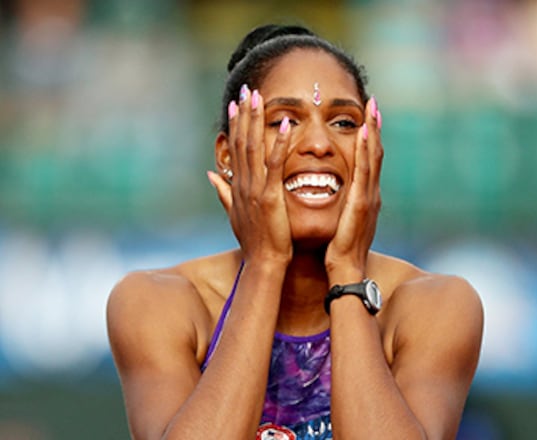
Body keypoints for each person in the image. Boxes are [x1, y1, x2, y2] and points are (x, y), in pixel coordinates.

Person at [106, 24, 484, 440]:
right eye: (284, 121)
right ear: (228, 154)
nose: (319, 143)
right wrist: (265, 263)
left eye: (343, 122)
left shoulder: (434, 306)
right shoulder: (158, 302)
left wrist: (347, 271)